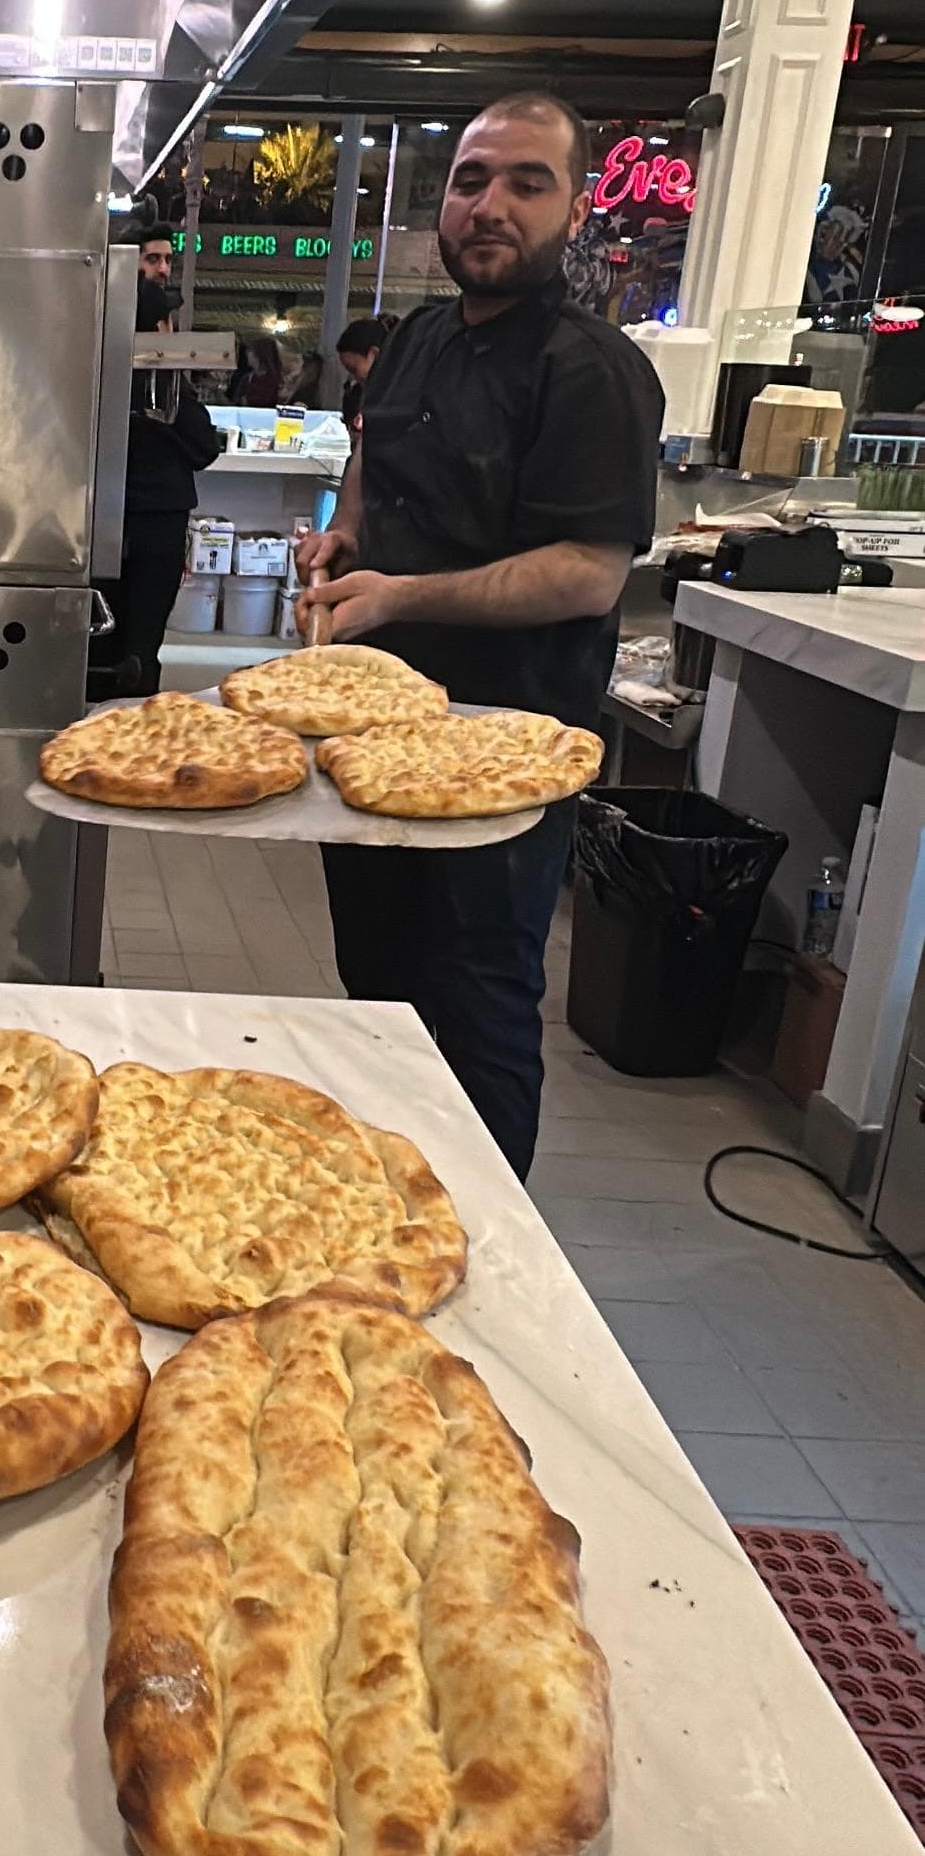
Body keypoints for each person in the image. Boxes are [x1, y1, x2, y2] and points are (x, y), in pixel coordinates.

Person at [295, 92, 660, 1177]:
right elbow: (372, 462)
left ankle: (489, 1236)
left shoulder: (591, 370)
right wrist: (344, 538)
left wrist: (399, 597)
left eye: (526, 182)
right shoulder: (413, 340)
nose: (490, 205)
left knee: (481, 998)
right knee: (379, 982)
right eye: (470, 180)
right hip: (371, 738)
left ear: (578, 206)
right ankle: (388, 1195)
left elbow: (587, 575)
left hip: (503, 751)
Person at [94, 281, 224, 694]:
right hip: (158, 528)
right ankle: (136, 725)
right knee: (143, 643)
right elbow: (204, 448)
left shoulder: (89, 370)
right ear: (158, 328)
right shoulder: (165, 384)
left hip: (93, 524)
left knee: (96, 638)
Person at [333, 311, 398, 427]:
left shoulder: (403, 395)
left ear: (374, 355)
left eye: (353, 369)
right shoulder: (356, 394)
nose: (353, 378)